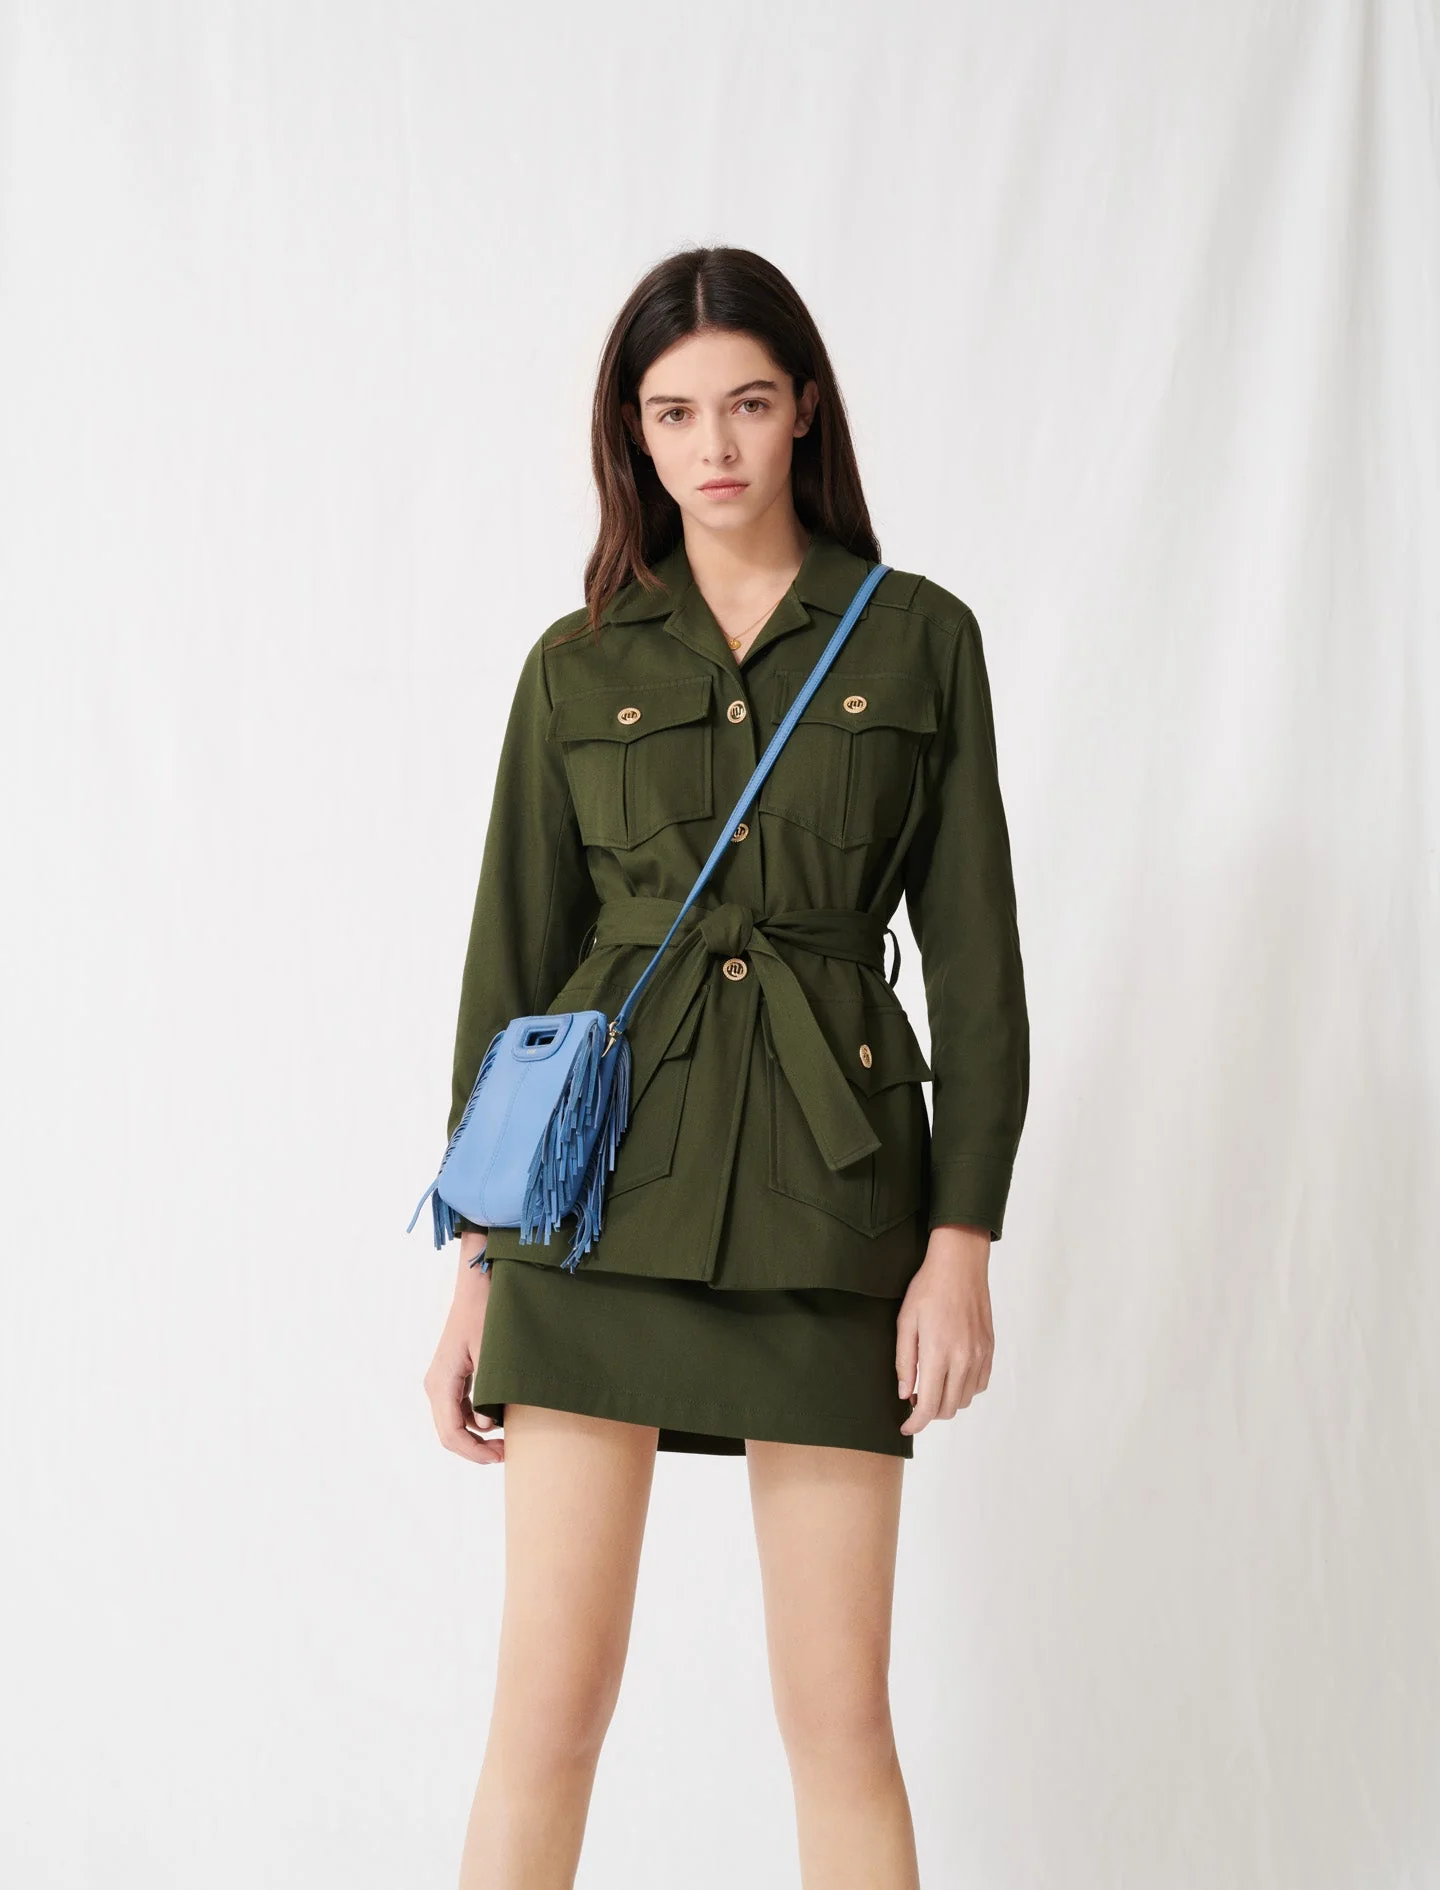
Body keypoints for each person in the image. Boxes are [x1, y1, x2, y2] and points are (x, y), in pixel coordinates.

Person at [420, 244, 1030, 1889]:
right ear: (633, 431)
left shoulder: (918, 639)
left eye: (748, 403)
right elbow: (509, 978)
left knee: (840, 1721)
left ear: (805, 408)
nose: (716, 445)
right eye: (676, 411)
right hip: (591, 1218)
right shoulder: (578, 663)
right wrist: (474, 1267)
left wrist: (960, 1240)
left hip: (835, 1208)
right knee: (547, 1712)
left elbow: (980, 974)